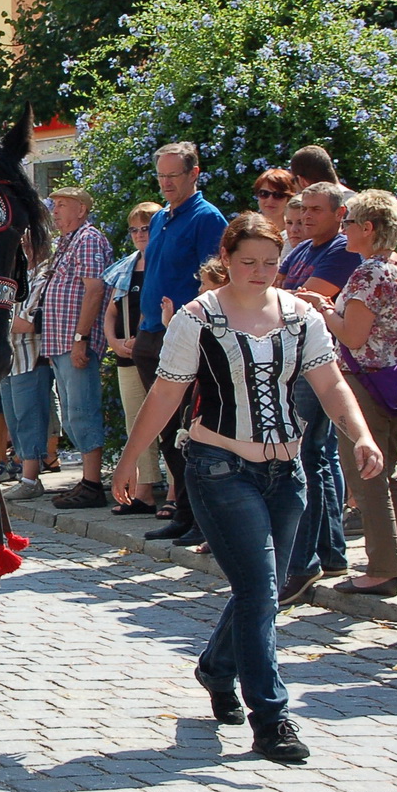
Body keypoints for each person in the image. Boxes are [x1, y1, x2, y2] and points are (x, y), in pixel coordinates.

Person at [112, 213, 381, 764]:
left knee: (268, 585)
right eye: (248, 262)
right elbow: (166, 393)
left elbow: (330, 385)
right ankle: (272, 717)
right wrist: (130, 459)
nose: (260, 272)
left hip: (287, 471)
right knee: (260, 591)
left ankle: (216, 665)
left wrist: (362, 435)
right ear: (227, 260)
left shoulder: (302, 316)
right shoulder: (198, 318)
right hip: (219, 466)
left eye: (269, 262)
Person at [296, 190, 397, 597]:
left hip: (364, 381)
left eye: (349, 223)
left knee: (366, 474)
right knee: (390, 473)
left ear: (368, 228)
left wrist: (323, 308)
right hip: (395, 382)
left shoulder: (369, 272)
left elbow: (352, 333)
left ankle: (382, 570)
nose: (344, 229)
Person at [133, 142, 229, 542]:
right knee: (166, 429)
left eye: (174, 175)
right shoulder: (161, 219)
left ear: (194, 174)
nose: (166, 182)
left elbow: (216, 279)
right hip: (153, 331)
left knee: (190, 430)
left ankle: (201, 518)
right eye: (161, 175)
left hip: (186, 333)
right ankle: (184, 512)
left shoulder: (207, 218)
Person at [275, 181, 361, 606]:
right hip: (297, 361)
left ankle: (302, 563)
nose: (306, 217)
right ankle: (331, 554)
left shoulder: (341, 249)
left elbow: (302, 304)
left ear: (339, 214)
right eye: (303, 209)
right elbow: (276, 292)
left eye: (315, 211)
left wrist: (276, 297)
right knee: (315, 456)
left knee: (305, 457)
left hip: (319, 362)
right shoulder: (303, 249)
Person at [42, 187, 115, 509]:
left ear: (81, 210)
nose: (55, 211)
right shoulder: (66, 242)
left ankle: (93, 484)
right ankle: (86, 481)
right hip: (59, 341)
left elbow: (95, 289)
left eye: (62, 205)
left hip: (75, 341)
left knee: (82, 412)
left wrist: (80, 338)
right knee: (71, 415)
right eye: (54, 205)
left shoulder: (87, 239)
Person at [102, 202, 163, 510]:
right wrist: (113, 341)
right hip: (127, 355)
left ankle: (175, 494)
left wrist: (141, 338)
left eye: (146, 228)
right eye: (135, 229)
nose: (140, 234)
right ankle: (143, 491)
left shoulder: (163, 262)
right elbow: (112, 311)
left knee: (167, 422)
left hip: (156, 353)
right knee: (135, 422)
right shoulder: (126, 266)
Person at [1, 257, 52, 500]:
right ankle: (25, 475)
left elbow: (27, 323)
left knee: (29, 418)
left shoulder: (41, 273)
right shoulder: (11, 272)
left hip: (30, 356)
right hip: (8, 359)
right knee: (14, 420)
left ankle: (31, 479)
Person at [252, 169, 298, 245]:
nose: (270, 200)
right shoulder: (248, 230)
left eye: (278, 195)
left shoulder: (295, 234)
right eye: (264, 193)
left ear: (289, 198)